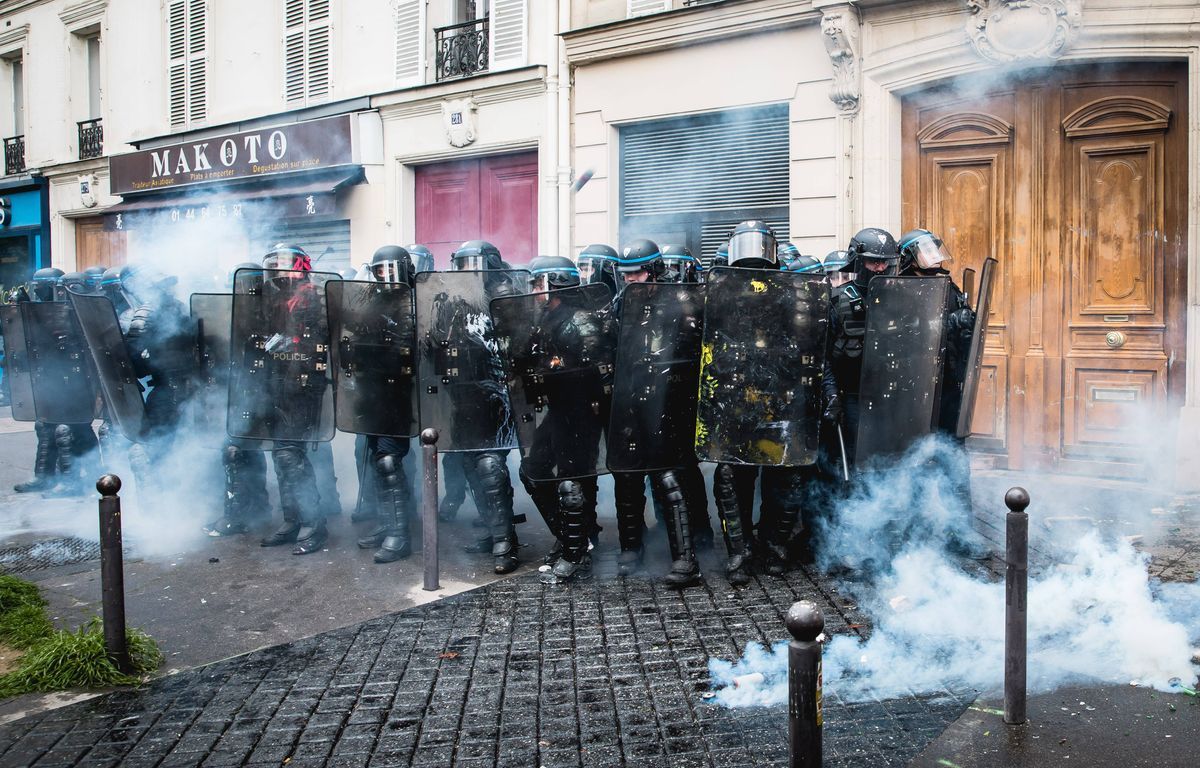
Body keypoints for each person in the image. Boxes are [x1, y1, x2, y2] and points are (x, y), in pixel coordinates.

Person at [607, 239, 703, 588]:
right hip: (629, 399)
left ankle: (685, 559)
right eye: (627, 273)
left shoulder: (678, 303)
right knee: (627, 474)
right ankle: (632, 547)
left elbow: (691, 356)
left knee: (668, 477)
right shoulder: (620, 303)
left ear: (654, 270)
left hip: (667, 402)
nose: (631, 279)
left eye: (637, 273)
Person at [251, 244, 331, 555]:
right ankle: (292, 520)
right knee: (279, 455)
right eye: (274, 265)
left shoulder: (312, 296)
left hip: (302, 385)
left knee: (291, 456)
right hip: (274, 383)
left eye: (284, 265)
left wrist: (294, 343)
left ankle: (314, 523)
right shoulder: (271, 298)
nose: (279, 271)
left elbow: (319, 339)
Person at [821, 227, 901, 471]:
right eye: (873, 263)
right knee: (855, 462)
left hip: (889, 397)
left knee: (890, 460)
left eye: (884, 263)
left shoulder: (899, 299)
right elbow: (822, 358)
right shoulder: (837, 302)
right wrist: (831, 394)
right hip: (852, 397)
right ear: (857, 261)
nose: (880, 269)